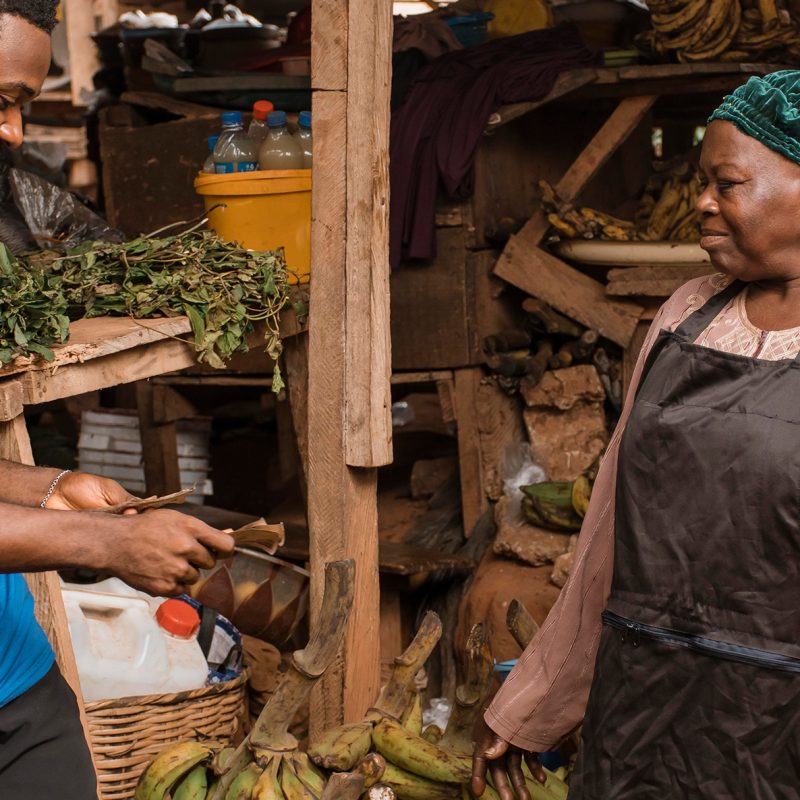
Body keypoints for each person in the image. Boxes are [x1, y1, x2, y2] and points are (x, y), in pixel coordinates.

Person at [472, 69, 800, 799]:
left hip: (777, 731)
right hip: (641, 717)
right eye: (699, 182)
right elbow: (605, 538)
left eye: (728, 183)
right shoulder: (689, 312)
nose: (702, 204)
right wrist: (533, 708)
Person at [0, 5, 235, 796]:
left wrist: (51, 491)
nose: (11, 132)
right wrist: (103, 546)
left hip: (15, 686)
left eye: (22, 104)